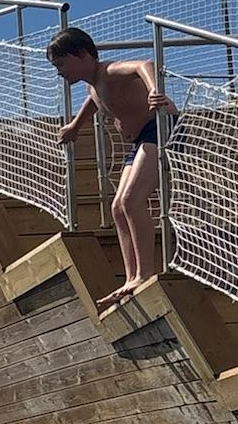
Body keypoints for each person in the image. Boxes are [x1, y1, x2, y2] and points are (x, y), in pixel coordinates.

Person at [49, 25, 178, 311]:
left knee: (132, 200)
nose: (58, 71)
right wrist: (74, 126)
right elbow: (94, 102)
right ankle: (131, 276)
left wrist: (155, 88)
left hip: (159, 128)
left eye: (61, 64)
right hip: (142, 140)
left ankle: (145, 272)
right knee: (118, 207)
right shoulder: (93, 85)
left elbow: (144, 65)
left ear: (82, 55)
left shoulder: (109, 70)